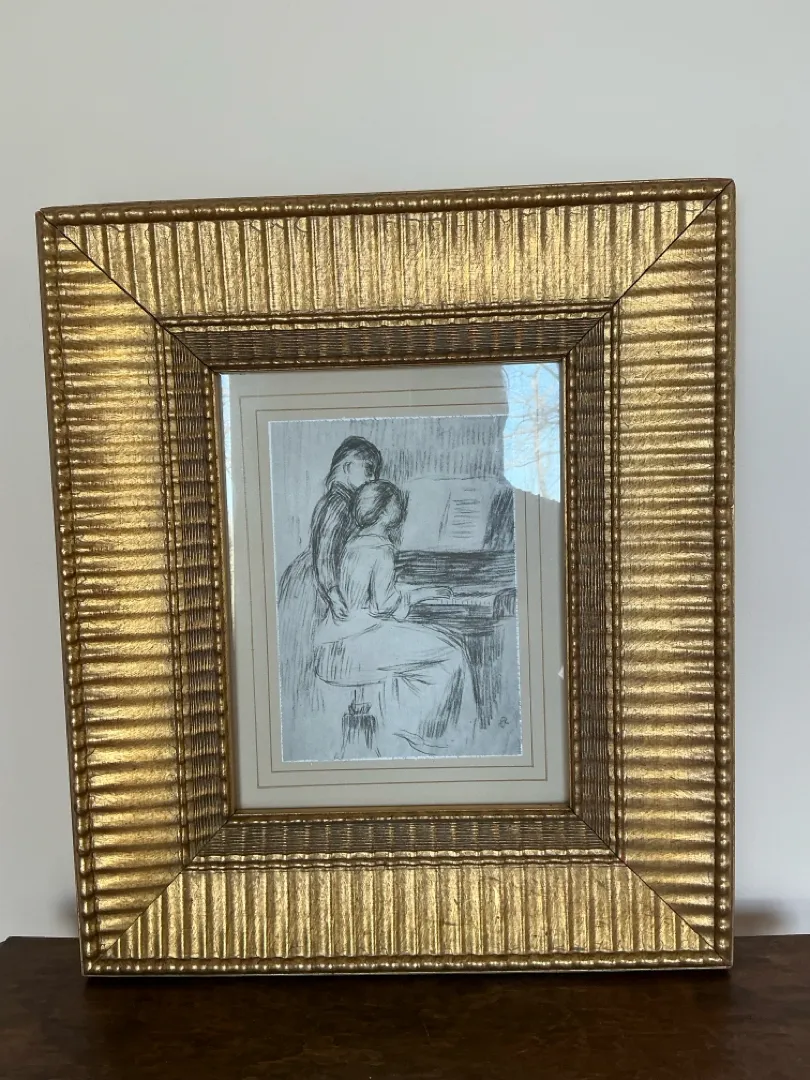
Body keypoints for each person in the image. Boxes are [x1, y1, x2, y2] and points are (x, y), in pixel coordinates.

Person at [314, 480, 477, 757]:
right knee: (452, 653)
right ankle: (427, 734)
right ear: (385, 511)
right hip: (356, 651)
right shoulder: (382, 548)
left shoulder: (353, 544)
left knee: (423, 655)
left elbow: (368, 597)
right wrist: (427, 593)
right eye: (395, 503)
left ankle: (402, 726)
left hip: (332, 648)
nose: (400, 507)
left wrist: (414, 593)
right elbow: (384, 605)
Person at [276, 436, 383, 756]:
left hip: (322, 582)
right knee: (308, 654)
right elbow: (324, 553)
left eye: (375, 472)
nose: (373, 478)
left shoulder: (345, 500)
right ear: (347, 468)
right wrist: (334, 594)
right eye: (368, 470)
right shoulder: (338, 502)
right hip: (315, 586)